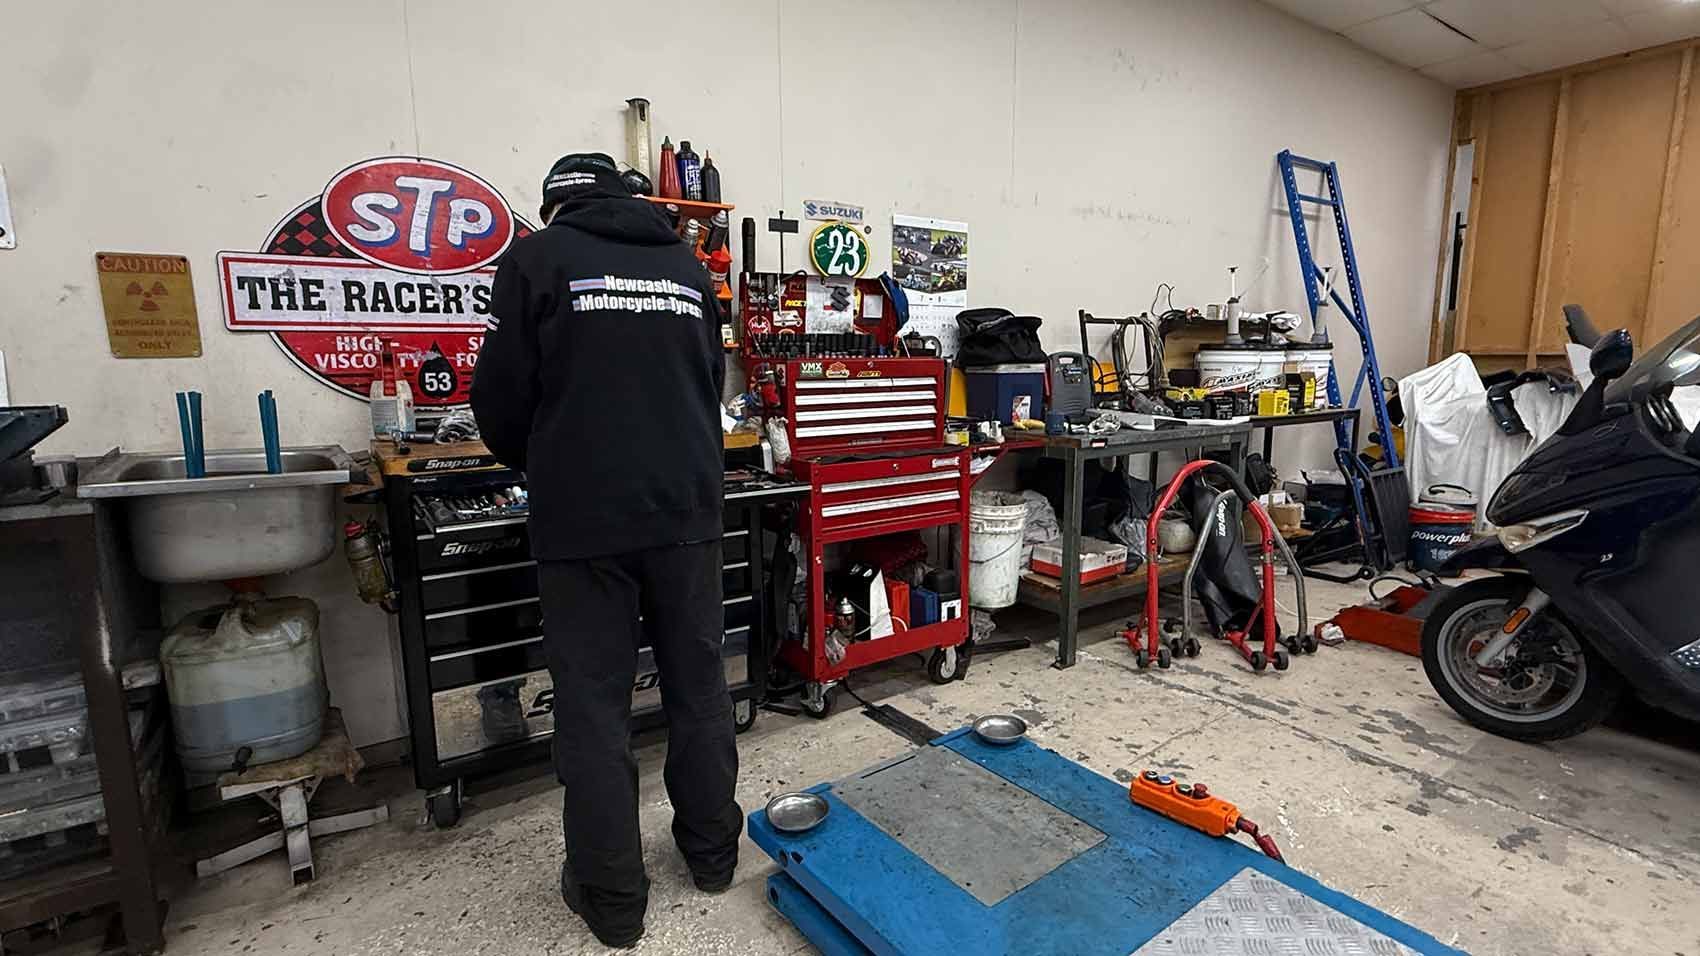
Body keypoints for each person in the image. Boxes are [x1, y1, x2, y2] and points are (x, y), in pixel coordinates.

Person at [470, 153, 738, 948]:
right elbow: (711, 381)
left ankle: (613, 900)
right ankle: (715, 858)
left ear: (554, 206)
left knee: (593, 713)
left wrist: (549, 460)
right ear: (626, 198)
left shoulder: (534, 259)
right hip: (687, 509)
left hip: (584, 522)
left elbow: (501, 400)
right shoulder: (687, 267)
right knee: (700, 692)